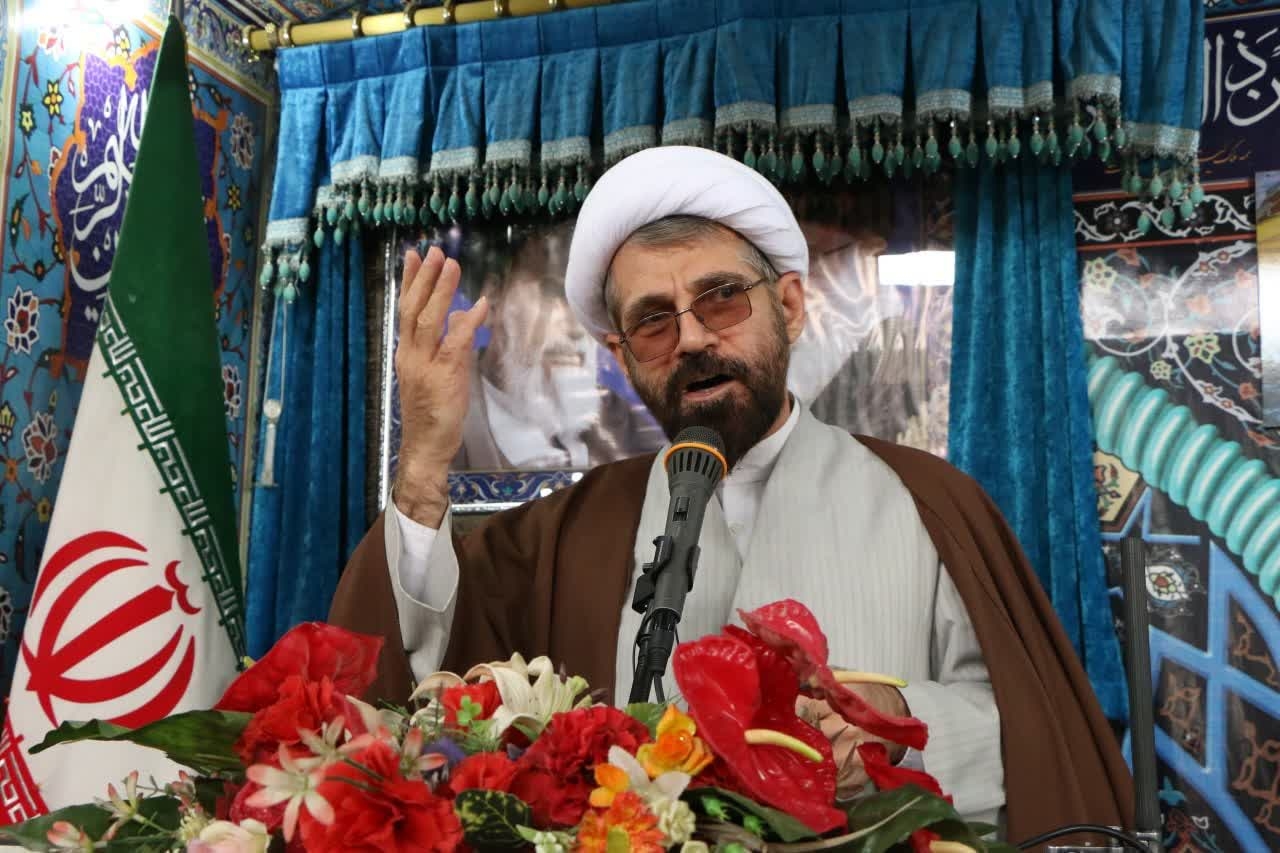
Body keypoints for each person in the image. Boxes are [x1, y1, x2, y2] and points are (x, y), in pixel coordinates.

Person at [331, 146, 1133, 841]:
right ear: (621, 354)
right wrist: (424, 464)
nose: (691, 337)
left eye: (722, 297)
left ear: (789, 305)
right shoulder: (570, 532)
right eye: (653, 321)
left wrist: (897, 724)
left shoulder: (930, 503)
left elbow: (1037, 742)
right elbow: (423, 688)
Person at [453, 221, 663, 470]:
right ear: (493, 298)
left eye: (591, 301)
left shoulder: (629, 427)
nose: (577, 328)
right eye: (553, 292)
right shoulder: (439, 419)